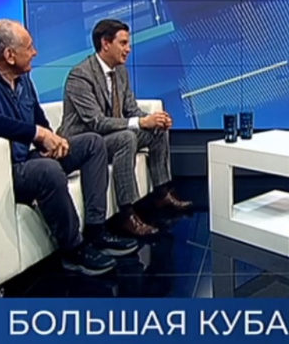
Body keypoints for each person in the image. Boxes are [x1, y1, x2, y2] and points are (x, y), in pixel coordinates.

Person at [0, 19, 139, 275]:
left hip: (33, 157)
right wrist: (37, 134)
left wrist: (52, 139)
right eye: (29, 47)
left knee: (92, 143)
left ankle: (96, 231)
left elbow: (38, 118)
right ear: (9, 55)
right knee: (48, 170)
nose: (35, 52)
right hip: (9, 168)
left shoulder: (23, 80)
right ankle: (73, 250)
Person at [58, 19, 191, 239]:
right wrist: (140, 123)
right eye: (123, 43)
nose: (128, 49)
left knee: (157, 130)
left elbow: (130, 109)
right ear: (105, 43)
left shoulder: (120, 71)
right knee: (126, 138)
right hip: (84, 142)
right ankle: (126, 215)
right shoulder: (80, 76)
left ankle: (161, 194)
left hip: (111, 136)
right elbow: (96, 122)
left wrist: (153, 119)